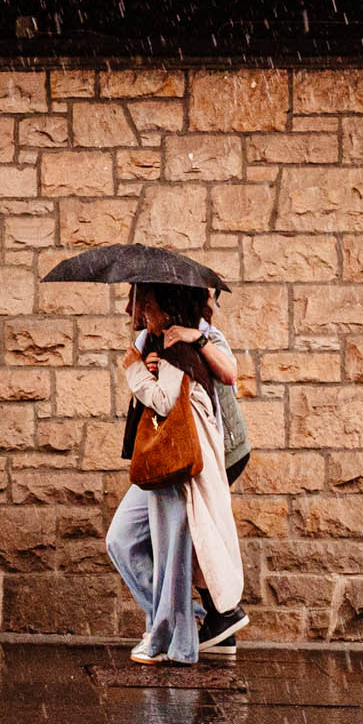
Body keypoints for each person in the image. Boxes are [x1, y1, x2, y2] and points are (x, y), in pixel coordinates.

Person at [106, 282, 246, 665]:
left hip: (201, 455)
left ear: (164, 307)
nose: (130, 309)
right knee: (126, 540)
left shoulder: (195, 335)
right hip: (162, 456)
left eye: (139, 302)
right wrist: (146, 369)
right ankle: (193, 620)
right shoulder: (148, 338)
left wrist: (191, 343)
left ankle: (176, 630)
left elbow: (228, 375)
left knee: (181, 546)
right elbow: (159, 398)